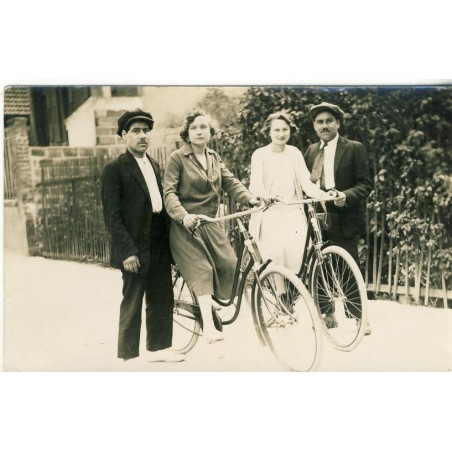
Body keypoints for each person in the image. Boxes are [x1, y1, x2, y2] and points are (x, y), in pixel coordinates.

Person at [164, 108, 260, 343]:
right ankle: (208, 327)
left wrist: (251, 198)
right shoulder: (177, 158)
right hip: (185, 226)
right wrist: (183, 216)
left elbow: (231, 183)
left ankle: (207, 303)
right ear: (187, 132)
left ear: (210, 131)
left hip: (210, 222)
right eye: (194, 127)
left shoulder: (214, 157)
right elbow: (169, 193)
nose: (199, 131)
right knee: (203, 270)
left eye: (204, 127)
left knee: (230, 263)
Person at [101, 108, 184, 363]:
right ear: (124, 135)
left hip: (158, 238)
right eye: (136, 131)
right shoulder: (115, 169)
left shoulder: (154, 164)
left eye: (146, 131)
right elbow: (112, 216)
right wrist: (127, 251)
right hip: (134, 244)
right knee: (134, 297)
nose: (142, 136)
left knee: (162, 295)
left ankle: (159, 349)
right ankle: (127, 355)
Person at [304, 102, 372, 334]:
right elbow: (305, 184)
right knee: (320, 264)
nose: (324, 126)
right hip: (318, 216)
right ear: (314, 126)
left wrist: (345, 195)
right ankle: (328, 314)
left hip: (345, 216)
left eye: (329, 121)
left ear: (338, 123)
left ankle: (359, 319)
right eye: (320, 122)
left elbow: (365, 184)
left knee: (348, 265)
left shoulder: (354, 148)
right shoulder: (311, 151)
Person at [249, 111, 332, 275]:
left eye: (285, 129)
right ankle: (280, 294)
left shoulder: (294, 153)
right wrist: (266, 196)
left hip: (292, 211)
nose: (281, 134)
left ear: (290, 131)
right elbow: (255, 184)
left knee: (300, 254)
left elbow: (305, 183)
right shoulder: (260, 155)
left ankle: (294, 291)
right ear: (269, 132)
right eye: (276, 130)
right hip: (269, 212)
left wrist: (322, 195)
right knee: (275, 255)